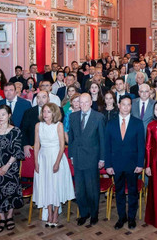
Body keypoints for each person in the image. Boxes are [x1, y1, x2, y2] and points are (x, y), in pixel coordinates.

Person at [105, 96, 146, 229]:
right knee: (120, 192)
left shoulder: (138, 123)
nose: (126, 107)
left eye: (129, 105)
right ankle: (121, 217)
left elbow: (141, 146)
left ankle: (131, 218)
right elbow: (107, 146)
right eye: (124, 104)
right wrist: (108, 165)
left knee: (133, 192)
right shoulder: (110, 123)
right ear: (118, 105)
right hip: (116, 165)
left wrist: (140, 164)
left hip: (132, 165)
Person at [67, 93, 106, 226]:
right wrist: (71, 155)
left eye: (86, 102)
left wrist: (102, 159)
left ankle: (94, 214)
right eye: (80, 102)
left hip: (92, 158)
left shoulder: (99, 117)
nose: (83, 105)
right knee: (80, 190)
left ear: (91, 103)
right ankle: (84, 213)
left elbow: (102, 139)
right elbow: (70, 139)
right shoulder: (73, 116)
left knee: (92, 189)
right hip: (77, 158)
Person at [33, 103, 74, 228]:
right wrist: (36, 162)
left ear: (54, 113)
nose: (45, 114)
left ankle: (55, 213)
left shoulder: (59, 125)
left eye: (49, 112)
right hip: (43, 158)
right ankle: (49, 213)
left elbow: (62, 145)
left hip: (56, 157)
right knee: (46, 186)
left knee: (56, 185)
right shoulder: (38, 125)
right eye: (44, 112)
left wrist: (57, 162)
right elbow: (36, 144)